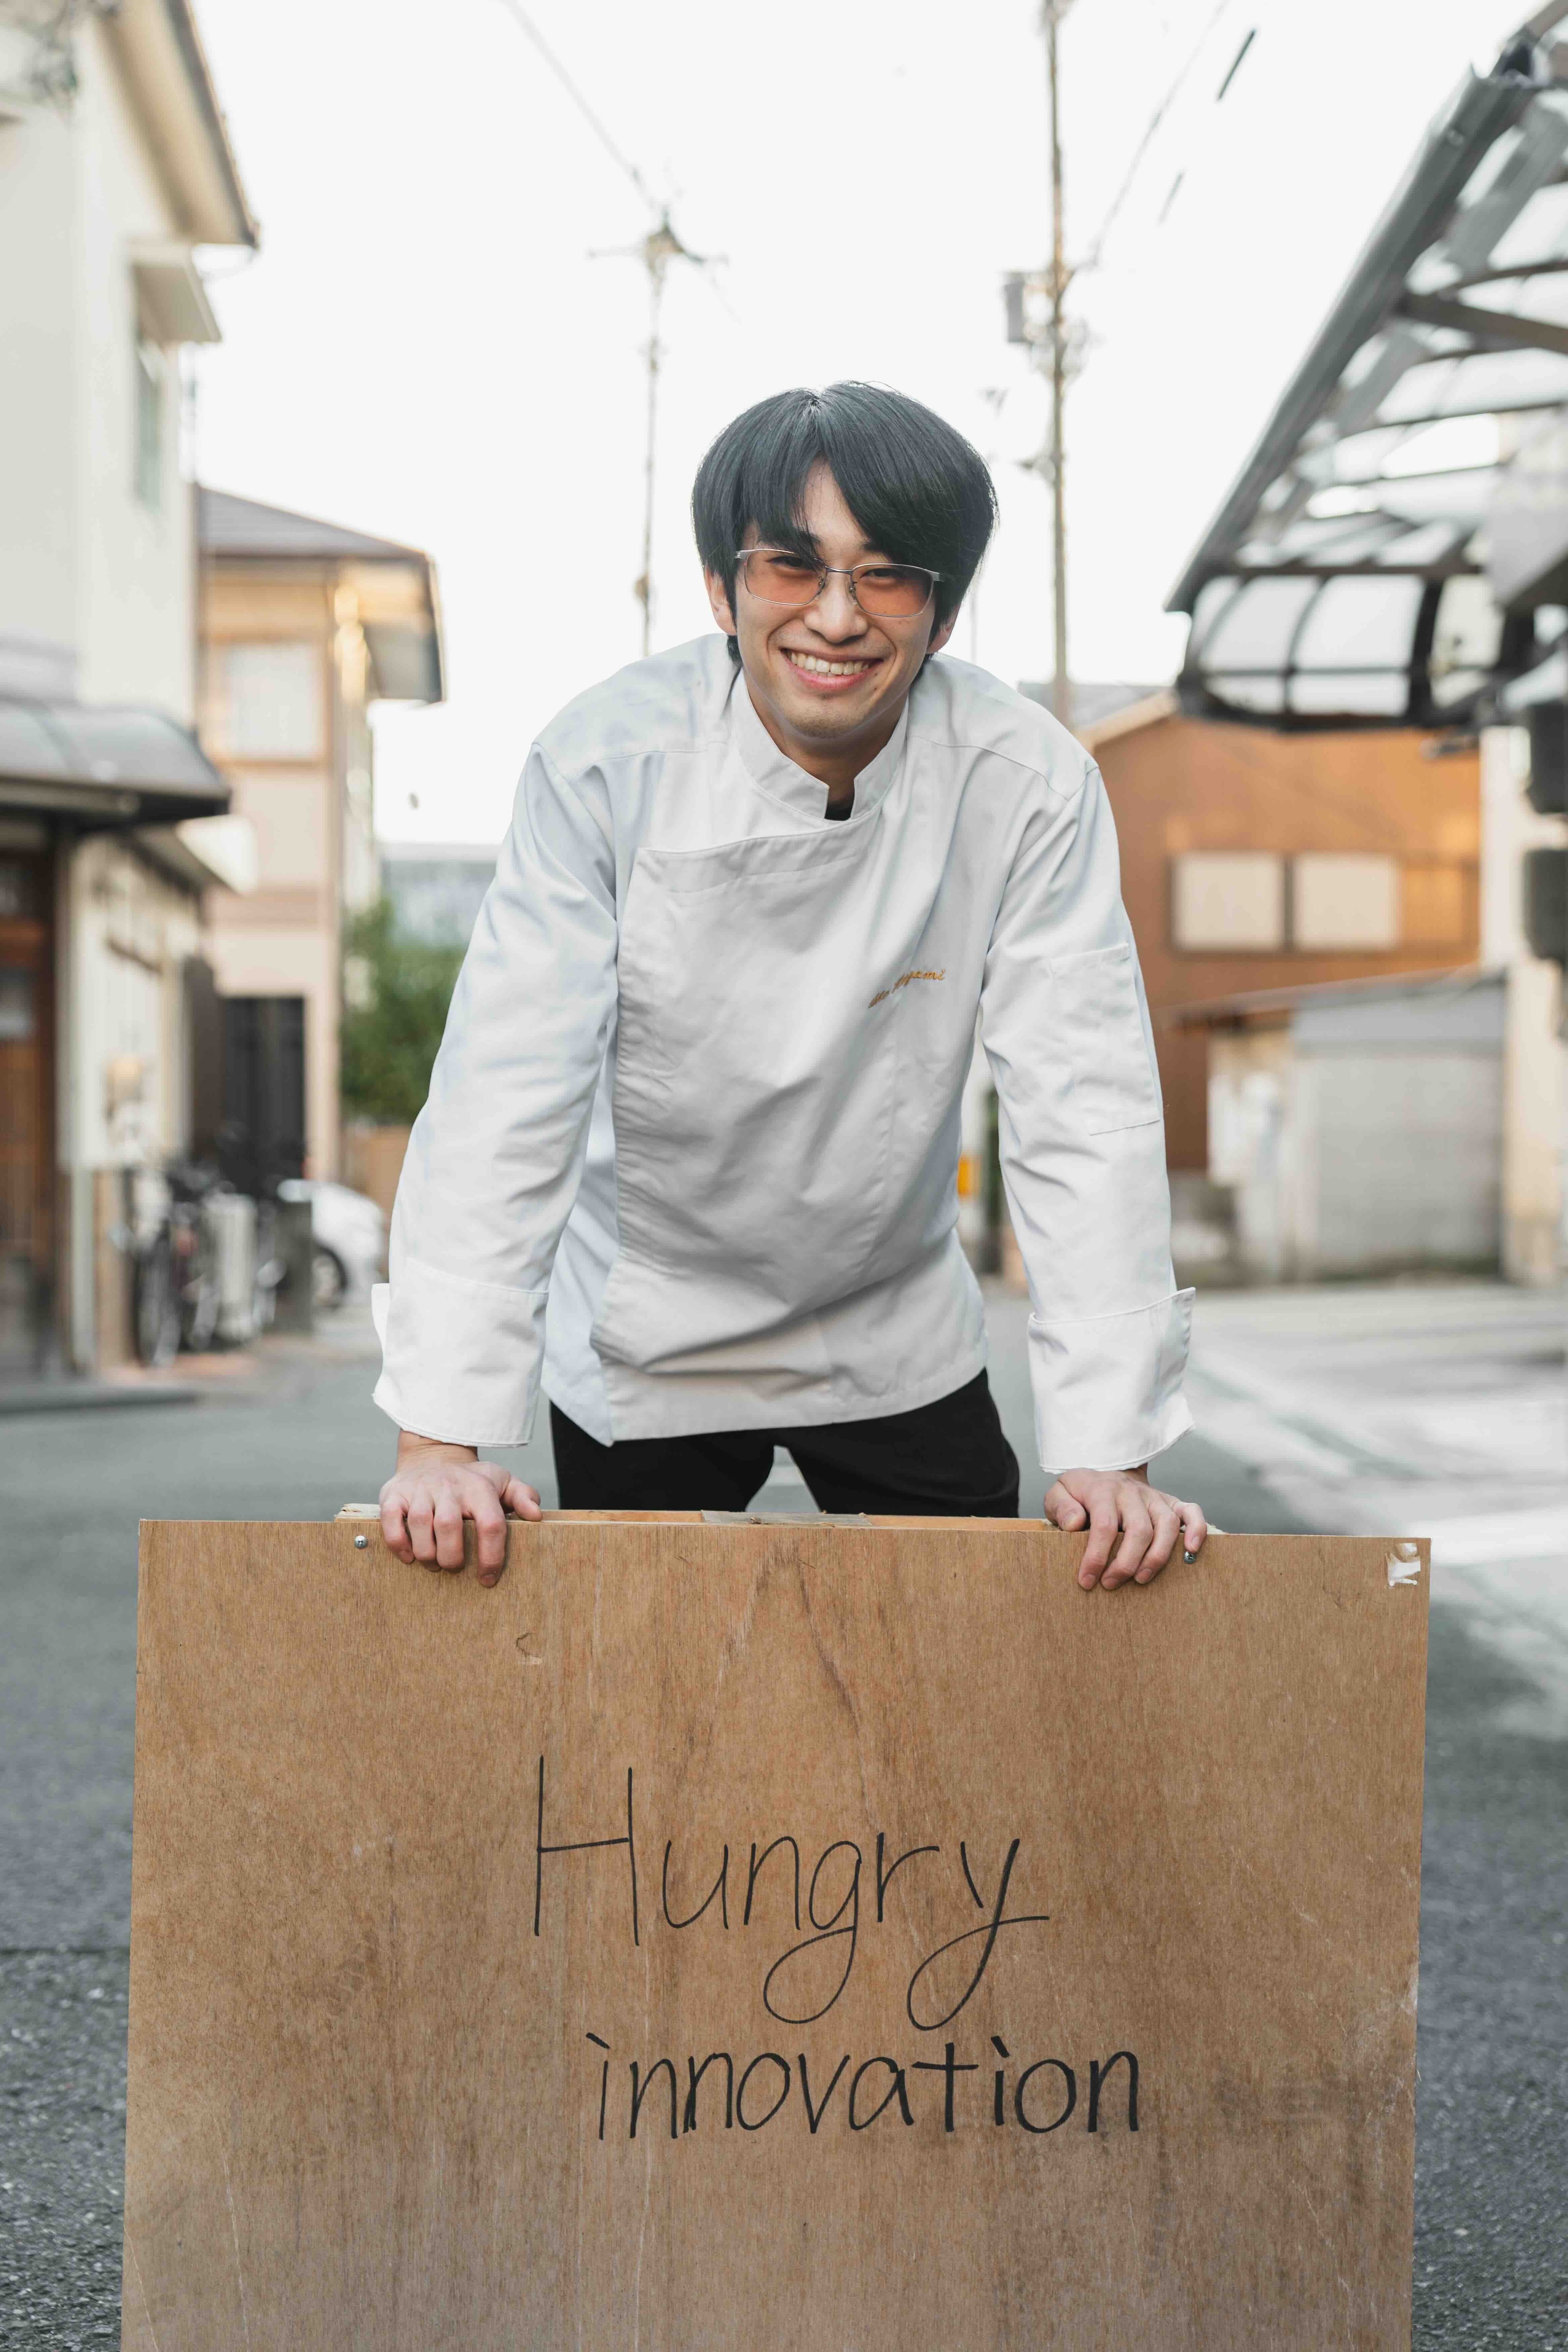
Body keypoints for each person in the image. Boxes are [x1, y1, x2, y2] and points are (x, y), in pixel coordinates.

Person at [374, 382, 1205, 1590]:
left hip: (891, 1316)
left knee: (969, 1687)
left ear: (944, 609)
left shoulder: (1027, 779)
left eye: (887, 574)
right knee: (644, 1723)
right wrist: (436, 1438)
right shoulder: (604, 761)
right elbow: (506, 1088)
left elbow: (1084, 1101)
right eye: (790, 565)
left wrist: (1112, 1445)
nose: (836, 617)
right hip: (653, 1324)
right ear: (722, 587)